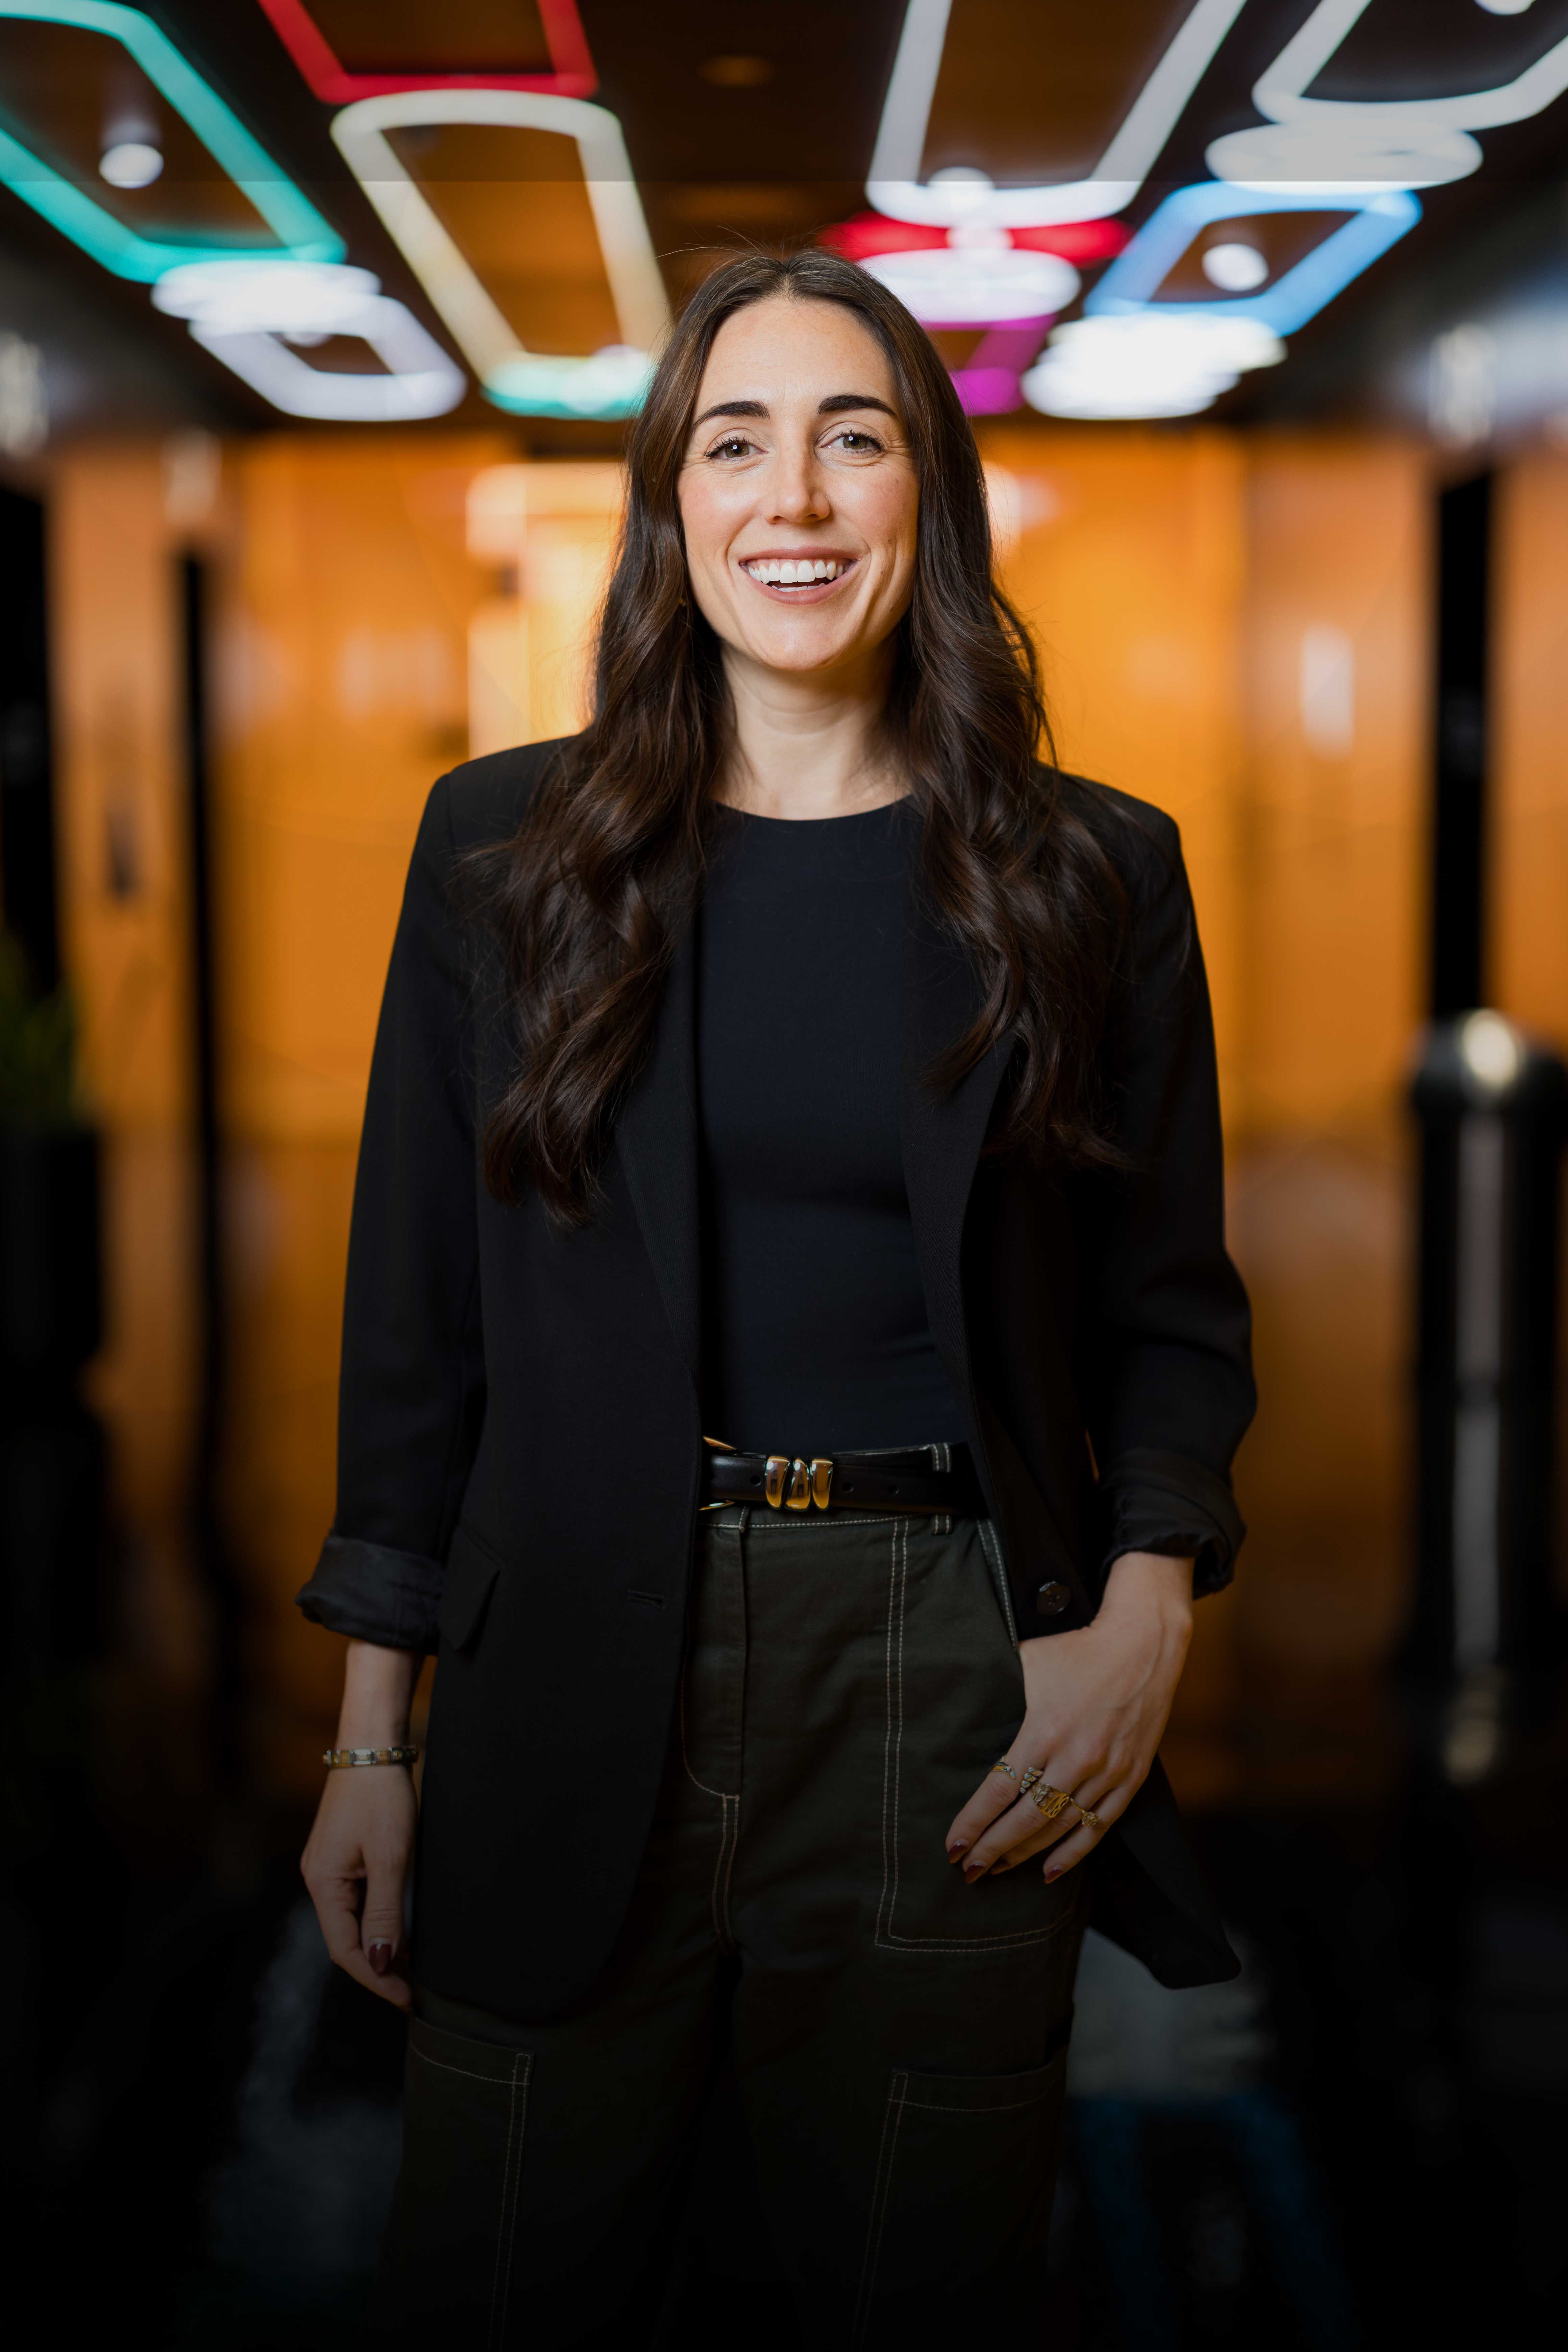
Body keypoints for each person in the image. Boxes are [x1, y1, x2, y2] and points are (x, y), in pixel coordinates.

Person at [296, 248, 1254, 2348]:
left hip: (947, 1668)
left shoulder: (1092, 872)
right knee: (500, 2276)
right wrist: (376, 1742)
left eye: (854, 437)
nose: (794, 497)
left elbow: (1169, 1308)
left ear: (931, 496)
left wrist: (1142, 1616)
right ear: (673, 504)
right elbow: (417, 1326)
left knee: (923, 2285)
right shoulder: (504, 855)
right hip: (573, 1636)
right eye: (737, 441)